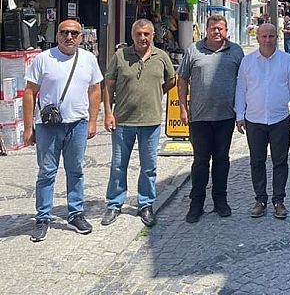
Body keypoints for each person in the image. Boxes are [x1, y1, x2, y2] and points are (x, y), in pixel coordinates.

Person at [24, 20, 103, 242]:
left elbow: (95, 90)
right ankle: (43, 217)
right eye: (65, 33)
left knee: (75, 170)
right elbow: (30, 92)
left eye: (74, 33)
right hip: (48, 126)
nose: (69, 37)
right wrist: (28, 127)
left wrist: (93, 121)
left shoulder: (89, 59)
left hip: (77, 124)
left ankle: (76, 214)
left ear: (81, 37)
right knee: (47, 172)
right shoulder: (43, 59)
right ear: (57, 35)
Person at [101, 19, 176, 228]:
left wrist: (156, 93)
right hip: (123, 121)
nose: (142, 38)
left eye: (146, 34)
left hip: (151, 121)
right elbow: (108, 86)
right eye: (138, 34)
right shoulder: (120, 56)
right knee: (118, 165)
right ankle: (114, 204)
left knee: (149, 166)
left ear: (153, 36)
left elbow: (171, 80)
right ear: (132, 35)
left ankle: (146, 204)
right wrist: (108, 113)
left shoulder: (161, 56)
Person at [178, 15, 244, 223]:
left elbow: (244, 82)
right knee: (200, 161)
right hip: (199, 116)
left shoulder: (236, 51)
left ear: (226, 31)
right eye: (213, 28)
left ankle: (220, 200)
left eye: (220, 29)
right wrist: (182, 107)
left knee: (222, 160)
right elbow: (182, 79)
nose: (217, 32)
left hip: (226, 116)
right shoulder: (193, 50)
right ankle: (196, 203)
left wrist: (242, 112)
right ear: (206, 30)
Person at [235, 23, 290, 220]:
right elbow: (241, 89)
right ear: (258, 38)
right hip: (254, 119)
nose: (268, 40)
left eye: (271, 36)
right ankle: (260, 200)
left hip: (280, 118)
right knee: (257, 161)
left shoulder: (286, 60)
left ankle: (279, 200)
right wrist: (239, 115)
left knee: (280, 161)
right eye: (264, 36)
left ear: (277, 37)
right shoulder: (247, 62)